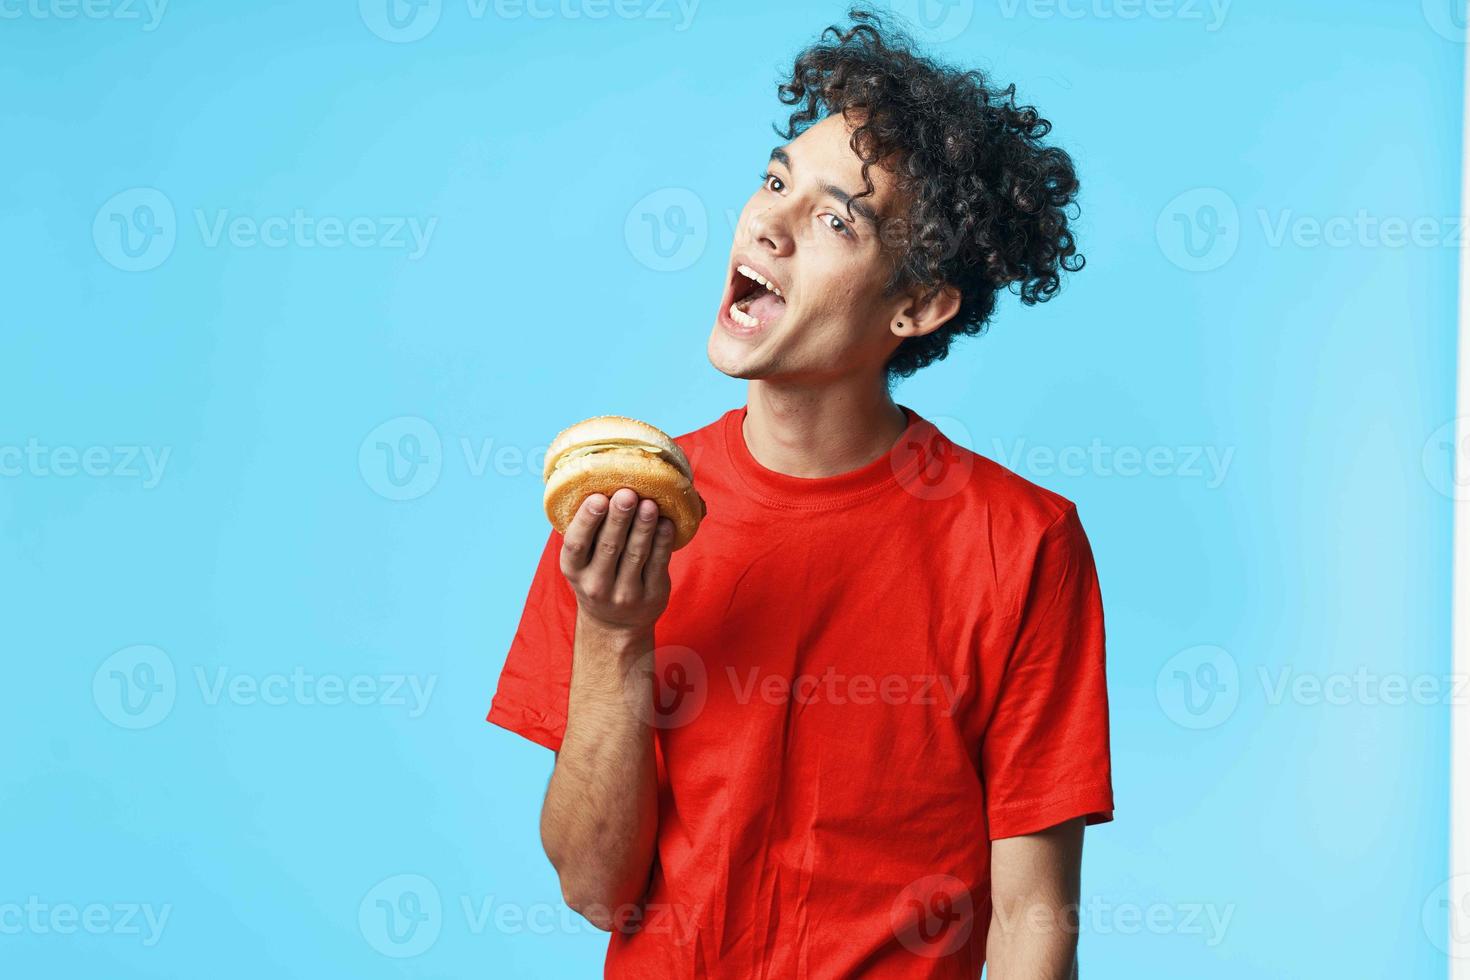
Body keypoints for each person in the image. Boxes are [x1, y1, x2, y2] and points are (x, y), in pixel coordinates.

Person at [488, 7, 1112, 977]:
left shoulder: (1021, 542)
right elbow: (594, 887)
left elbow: (1033, 915)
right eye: (774, 180)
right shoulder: (621, 516)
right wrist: (617, 629)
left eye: (833, 218)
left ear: (917, 305)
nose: (767, 222)